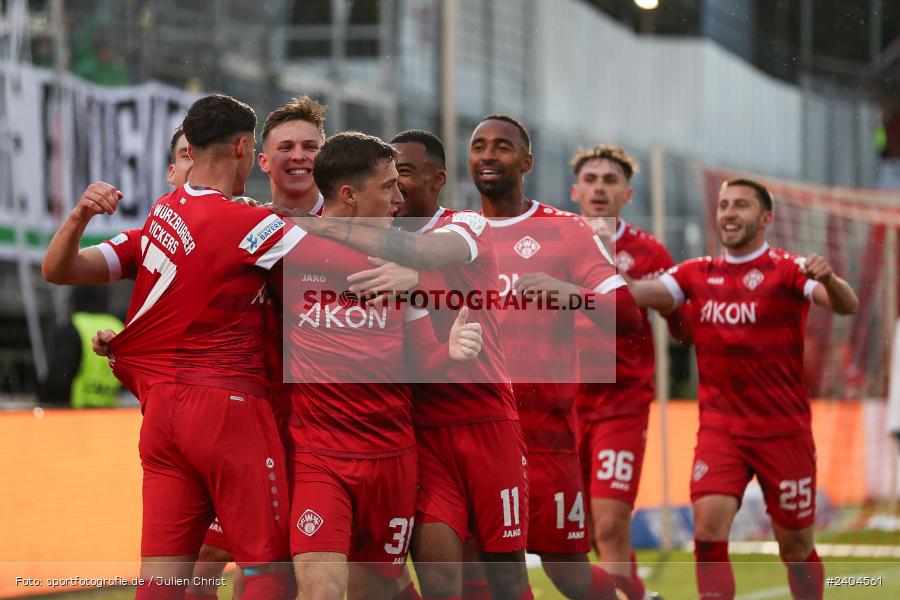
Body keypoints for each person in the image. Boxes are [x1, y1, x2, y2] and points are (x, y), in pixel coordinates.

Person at [87, 94, 302, 599]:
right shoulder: (245, 222)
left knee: (163, 578)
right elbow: (335, 268)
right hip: (228, 405)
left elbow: (63, 272)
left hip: (161, 411)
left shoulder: (165, 211)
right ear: (246, 148)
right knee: (270, 568)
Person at [626, 178, 858, 600]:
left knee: (796, 546)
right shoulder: (697, 272)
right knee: (708, 530)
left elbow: (845, 304)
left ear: (766, 218)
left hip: (783, 432)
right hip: (721, 430)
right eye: (724, 205)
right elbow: (642, 293)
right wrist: (593, 282)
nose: (729, 213)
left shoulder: (790, 269)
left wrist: (833, 279)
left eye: (741, 206)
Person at [278, 131, 484, 600]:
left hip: (390, 459)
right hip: (318, 456)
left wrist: (449, 350)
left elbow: (418, 360)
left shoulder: (396, 259)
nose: (400, 196)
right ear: (349, 195)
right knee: (320, 591)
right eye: (389, 186)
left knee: (379, 591)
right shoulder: (284, 247)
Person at [466, 114, 641, 600]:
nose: (487, 155)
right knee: (475, 569)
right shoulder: (456, 232)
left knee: (570, 574)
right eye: (479, 146)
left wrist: (573, 294)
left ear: (526, 161)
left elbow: (628, 317)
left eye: (501, 147)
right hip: (474, 432)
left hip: (544, 435)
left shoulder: (565, 230)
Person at [187, 95, 329, 600]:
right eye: (286, 146)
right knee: (208, 560)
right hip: (252, 420)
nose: (299, 155)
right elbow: (187, 295)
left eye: (310, 146)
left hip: (328, 429)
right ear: (261, 159)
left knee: (349, 572)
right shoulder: (238, 223)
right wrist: (132, 333)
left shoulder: (353, 227)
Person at [570, 145, 680, 600]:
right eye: (591, 179)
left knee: (613, 523)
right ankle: (636, 595)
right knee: (587, 529)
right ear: (575, 191)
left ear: (627, 193)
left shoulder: (648, 250)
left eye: (610, 180)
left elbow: (681, 318)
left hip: (622, 402)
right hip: (565, 404)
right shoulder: (554, 240)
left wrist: (653, 296)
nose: (600, 187)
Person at [37, 286, 124, 408]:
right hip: (109, 415)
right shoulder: (119, 327)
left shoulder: (72, 328)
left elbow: (57, 380)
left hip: (76, 416)